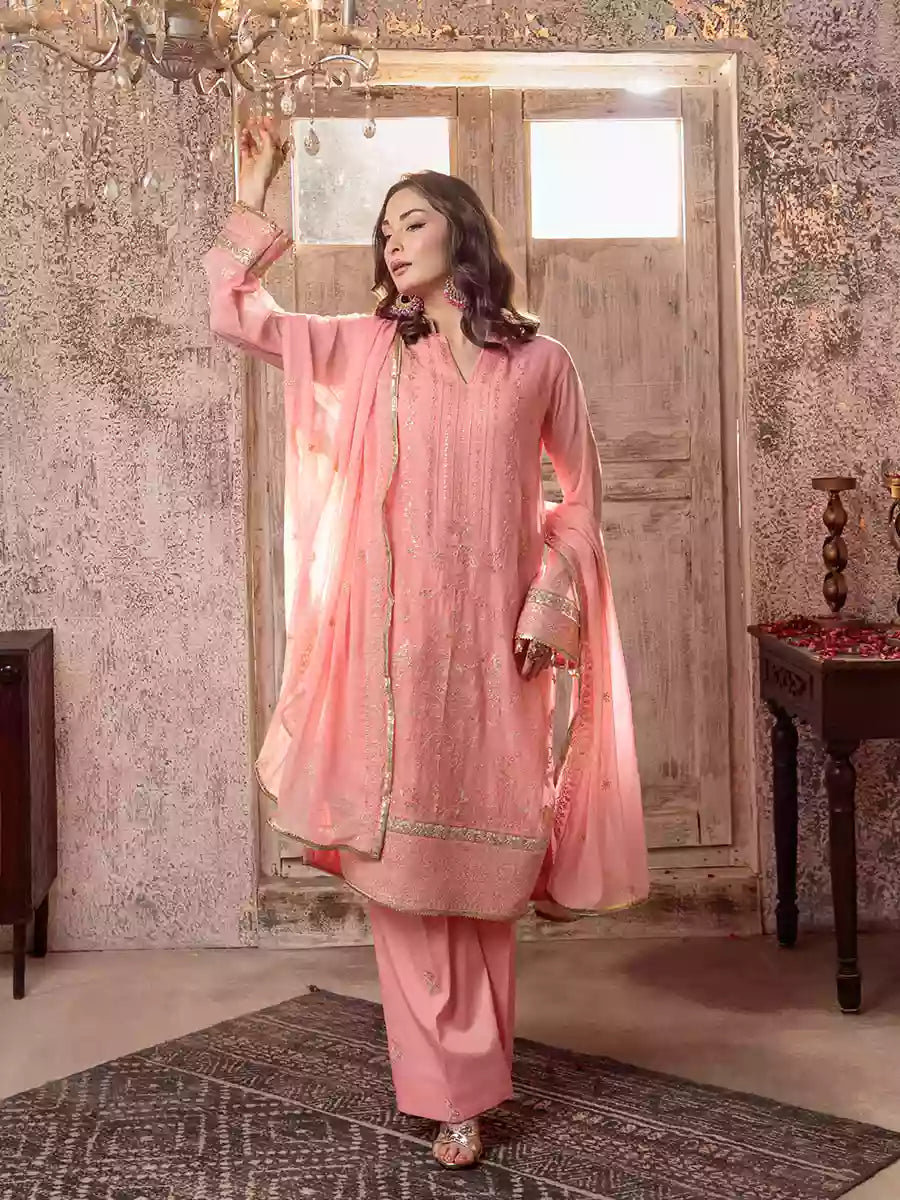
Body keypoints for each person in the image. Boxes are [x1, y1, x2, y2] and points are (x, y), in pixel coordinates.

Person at [204, 115, 650, 1169]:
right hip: (389, 664)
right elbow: (238, 315)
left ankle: (473, 1074)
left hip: (497, 660)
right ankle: (450, 1093)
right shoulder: (370, 348)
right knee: (402, 884)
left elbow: (582, 503)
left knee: (482, 884)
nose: (392, 242)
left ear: (461, 230)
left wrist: (549, 605)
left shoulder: (540, 364)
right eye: (383, 230)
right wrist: (255, 191)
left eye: (411, 222)